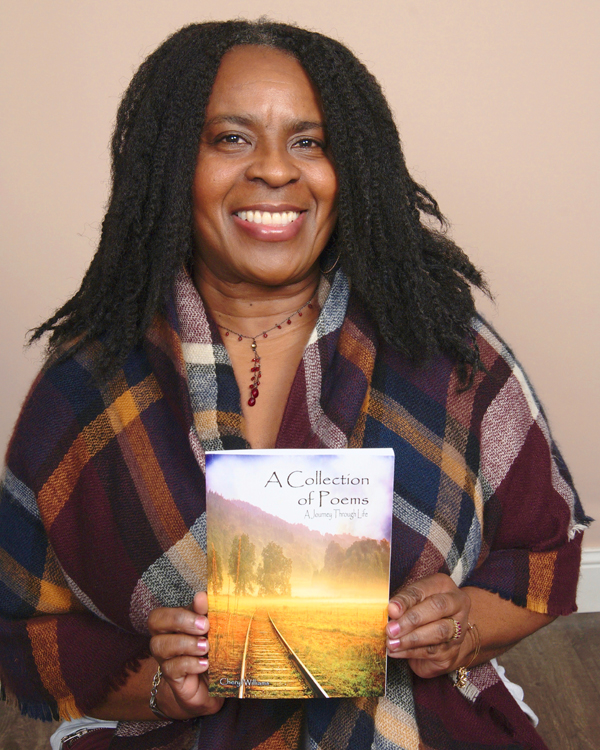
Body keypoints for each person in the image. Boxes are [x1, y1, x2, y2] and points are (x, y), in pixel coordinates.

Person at [0, 19, 589, 750]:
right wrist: (163, 687)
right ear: (172, 164)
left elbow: (544, 562)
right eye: (231, 138)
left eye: (309, 142)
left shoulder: (442, 350)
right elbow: (28, 630)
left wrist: (461, 624)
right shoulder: (90, 380)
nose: (276, 170)